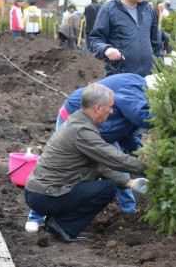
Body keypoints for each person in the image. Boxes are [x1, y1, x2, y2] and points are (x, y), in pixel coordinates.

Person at [24, 74, 154, 233]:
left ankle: (127, 211)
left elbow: (103, 163)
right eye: (110, 107)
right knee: (93, 182)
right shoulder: (84, 131)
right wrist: (150, 169)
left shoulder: (86, 121)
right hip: (43, 193)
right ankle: (50, 221)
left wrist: (130, 182)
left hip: (42, 191)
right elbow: (112, 158)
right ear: (99, 107)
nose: (112, 111)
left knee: (98, 175)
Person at [87, 0, 163, 77]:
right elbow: (94, 40)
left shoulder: (147, 10)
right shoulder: (109, 10)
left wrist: (160, 71)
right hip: (120, 78)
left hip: (148, 79)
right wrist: (106, 49)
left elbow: (156, 44)